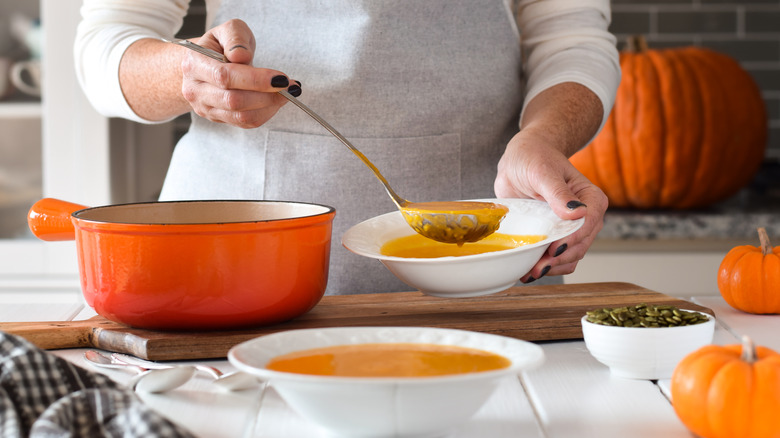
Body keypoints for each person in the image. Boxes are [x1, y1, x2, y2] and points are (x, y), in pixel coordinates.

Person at [74, 0, 620, 295]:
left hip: (482, 274)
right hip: (228, 274)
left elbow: (571, 40)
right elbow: (107, 42)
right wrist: (185, 76)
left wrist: (543, 137)